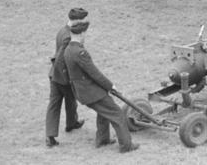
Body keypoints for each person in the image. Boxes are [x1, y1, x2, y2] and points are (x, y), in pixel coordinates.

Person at [63, 16, 139, 153]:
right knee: (117, 113)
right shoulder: (80, 52)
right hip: (90, 91)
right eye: (85, 33)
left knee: (103, 112)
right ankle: (126, 146)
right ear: (81, 33)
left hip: (83, 90)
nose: (85, 35)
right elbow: (95, 74)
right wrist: (111, 86)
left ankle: (103, 140)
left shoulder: (68, 49)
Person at [45, 8, 87, 147]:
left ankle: (52, 135)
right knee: (68, 99)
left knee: (55, 105)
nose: (83, 24)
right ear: (76, 21)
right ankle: (71, 123)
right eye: (81, 20)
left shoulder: (61, 30)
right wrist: (67, 77)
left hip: (53, 75)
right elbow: (62, 59)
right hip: (62, 76)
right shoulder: (69, 36)